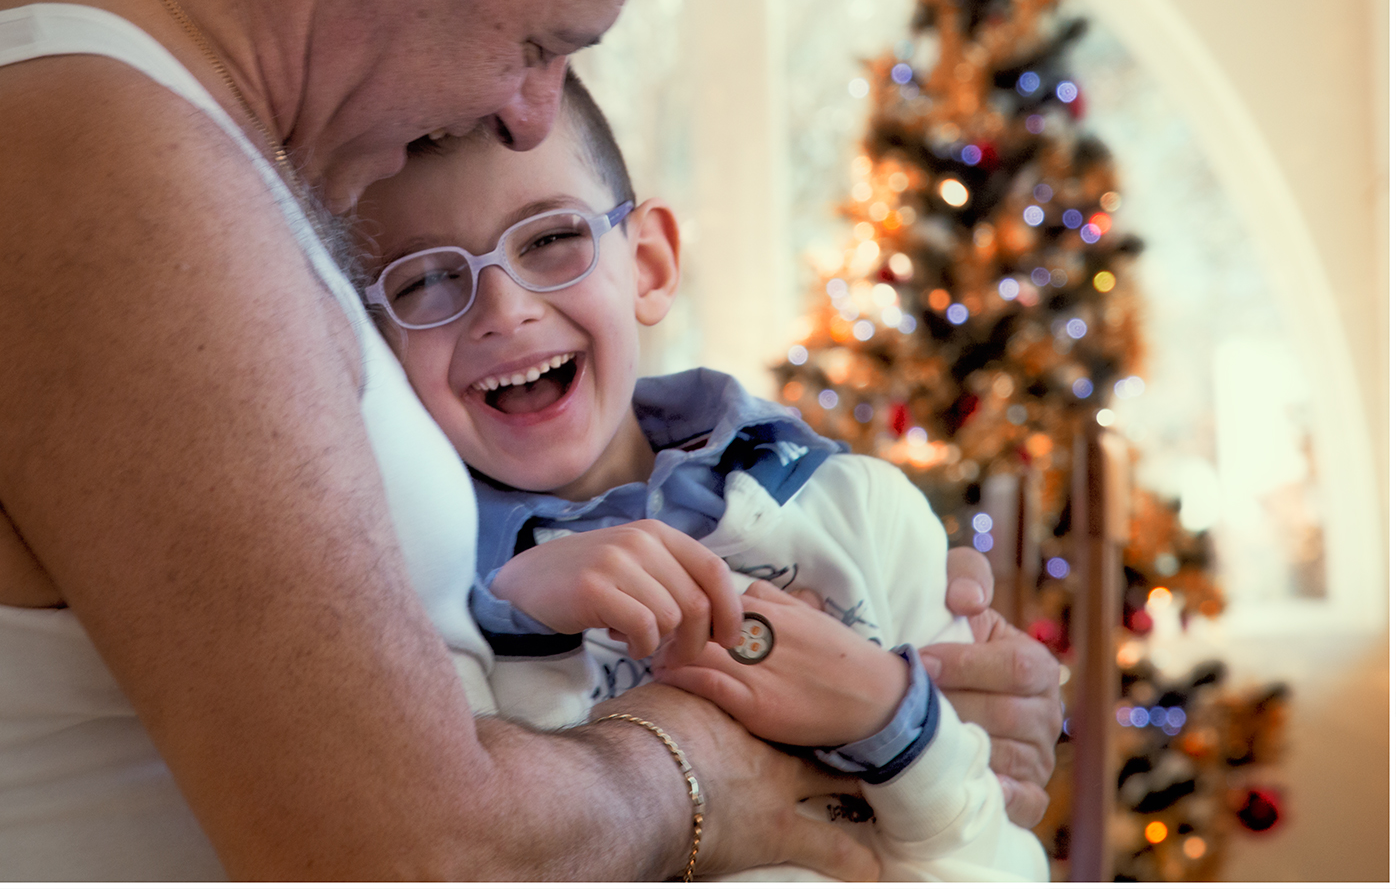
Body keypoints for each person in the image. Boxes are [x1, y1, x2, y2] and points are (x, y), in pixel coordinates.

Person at [0, 0, 1059, 881]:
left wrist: (909, 706)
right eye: (542, 42)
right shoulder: (115, 177)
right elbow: (409, 850)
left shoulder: (87, 107)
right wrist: (724, 757)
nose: (528, 110)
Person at [357, 69, 1050, 880]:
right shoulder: (417, 610)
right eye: (427, 281)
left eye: (550, 239)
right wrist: (525, 629)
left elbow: (998, 863)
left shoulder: (862, 511)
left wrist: (891, 719)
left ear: (648, 264)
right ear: (376, 347)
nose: (504, 309)